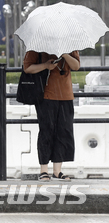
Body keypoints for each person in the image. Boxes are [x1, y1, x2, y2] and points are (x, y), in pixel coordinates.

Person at [23, 50, 80, 182]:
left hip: (66, 95)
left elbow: (76, 66)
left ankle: (57, 171)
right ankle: (43, 170)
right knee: (46, 131)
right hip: (45, 95)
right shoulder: (38, 46)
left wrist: (65, 54)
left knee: (64, 131)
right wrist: (45, 66)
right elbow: (27, 68)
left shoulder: (71, 45)